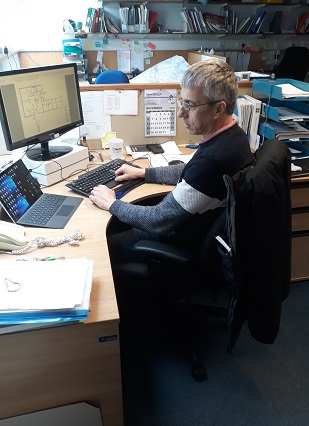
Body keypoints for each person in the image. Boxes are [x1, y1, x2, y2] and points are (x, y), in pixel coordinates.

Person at [89, 59, 255, 330]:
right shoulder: (232, 137)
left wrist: (112, 203)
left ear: (218, 108)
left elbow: (158, 220)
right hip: (201, 231)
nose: (180, 113)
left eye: (189, 105)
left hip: (180, 239)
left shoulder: (213, 158)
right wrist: (144, 174)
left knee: (104, 241)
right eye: (182, 101)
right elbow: (189, 172)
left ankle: (121, 323)